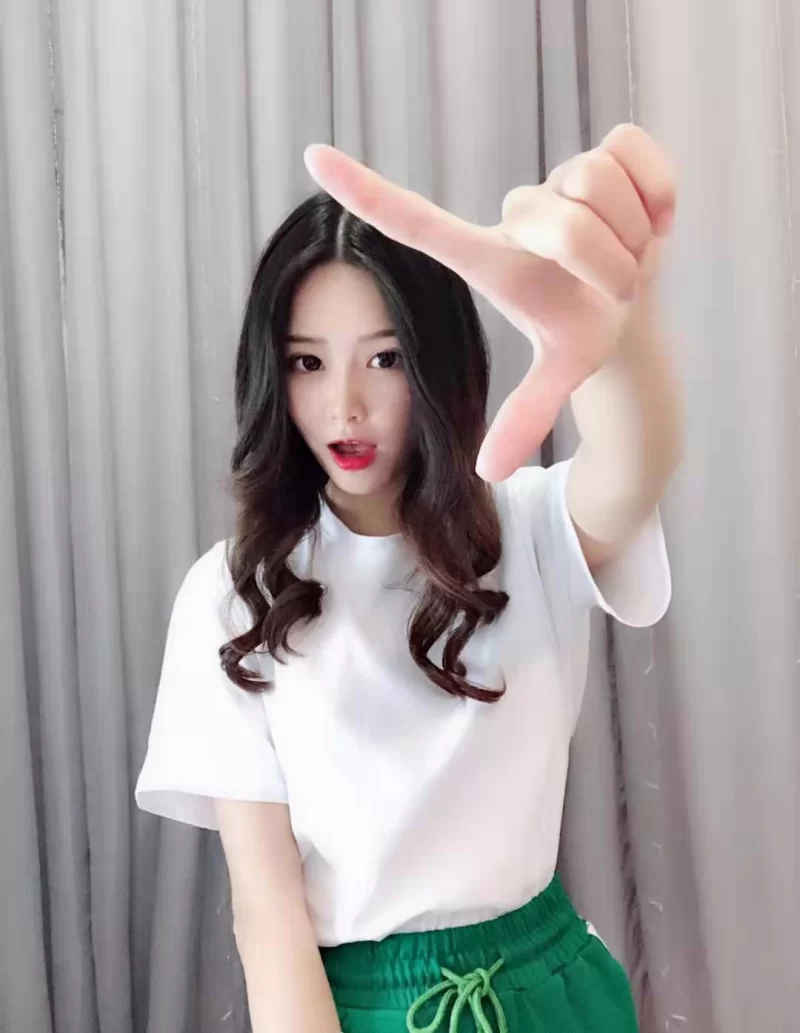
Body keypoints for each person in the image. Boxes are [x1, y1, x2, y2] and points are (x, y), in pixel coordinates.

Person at [135, 122, 682, 1032]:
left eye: (383, 358)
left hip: (554, 988)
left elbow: (637, 464)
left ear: (434, 361)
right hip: (366, 1008)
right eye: (308, 362)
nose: (344, 404)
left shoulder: (527, 526)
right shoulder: (233, 597)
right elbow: (267, 914)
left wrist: (617, 340)